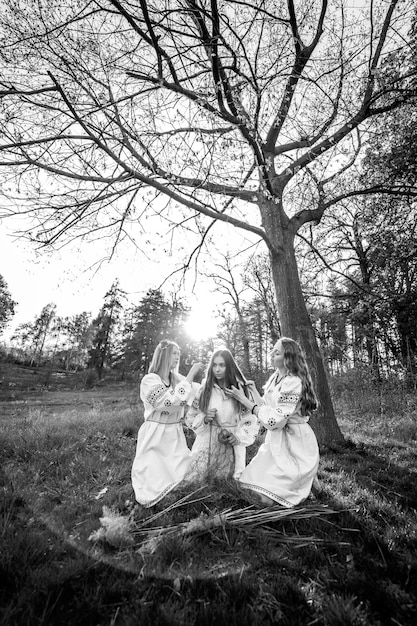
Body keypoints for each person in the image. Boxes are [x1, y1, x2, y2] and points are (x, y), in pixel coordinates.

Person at [225, 337, 319, 507]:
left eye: (277, 352)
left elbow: (275, 421)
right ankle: (303, 481)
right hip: (275, 440)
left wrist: (245, 401)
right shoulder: (276, 378)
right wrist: (253, 392)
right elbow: (268, 409)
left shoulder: (293, 382)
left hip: (294, 443)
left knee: (264, 499)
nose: (271, 354)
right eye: (272, 351)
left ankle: (304, 479)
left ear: (288, 358)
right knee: (247, 484)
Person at [131, 340, 202, 507]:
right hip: (156, 434)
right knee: (154, 480)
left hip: (174, 433)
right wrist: (191, 375)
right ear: (163, 355)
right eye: (174, 353)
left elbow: (198, 391)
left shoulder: (176, 379)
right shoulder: (150, 380)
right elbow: (167, 403)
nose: (178, 357)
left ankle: (175, 496)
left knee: (184, 474)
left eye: (179, 353)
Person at [186, 349, 258, 480]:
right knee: (201, 483)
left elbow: (251, 420)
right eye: (214, 365)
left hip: (232, 445)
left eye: (222, 365)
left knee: (230, 486)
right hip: (207, 445)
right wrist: (204, 418)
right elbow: (190, 418)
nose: (217, 369)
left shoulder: (240, 390)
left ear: (229, 366)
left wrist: (238, 437)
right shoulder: (204, 390)